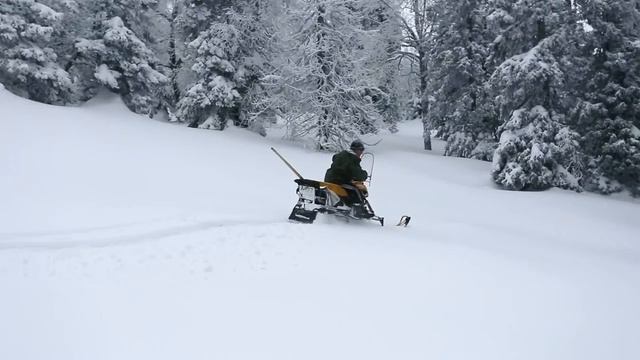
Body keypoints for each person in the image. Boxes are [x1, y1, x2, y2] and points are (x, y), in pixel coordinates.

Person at [324, 140, 369, 207]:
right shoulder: (352, 158)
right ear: (356, 150)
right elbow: (357, 173)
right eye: (361, 150)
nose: (361, 152)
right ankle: (356, 209)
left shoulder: (343, 155)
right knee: (355, 192)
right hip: (340, 181)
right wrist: (364, 175)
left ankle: (345, 206)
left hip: (330, 179)